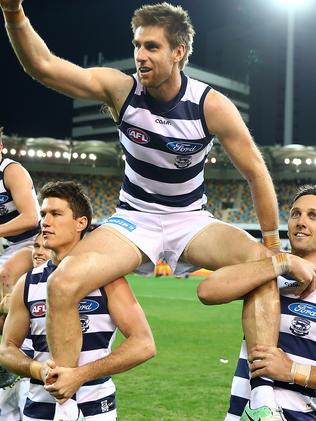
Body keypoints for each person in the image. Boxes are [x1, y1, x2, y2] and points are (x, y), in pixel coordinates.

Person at [1, 2, 311, 417]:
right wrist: (13, 10)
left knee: (261, 265)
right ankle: (68, 402)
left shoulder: (209, 105)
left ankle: (262, 400)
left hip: (190, 219)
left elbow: (256, 171)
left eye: (151, 46)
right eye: (136, 45)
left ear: (178, 52)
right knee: (62, 283)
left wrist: (273, 244)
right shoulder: (121, 90)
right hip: (135, 218)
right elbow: (43, 66)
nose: (140, 56)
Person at [0, 181, 156, 421]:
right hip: (39, 410)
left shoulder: (109, 280)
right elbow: (7, 349)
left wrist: (80, 375)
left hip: (95, 410)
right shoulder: (28, 283)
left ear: (80, 223)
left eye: (56, 214)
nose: (45, 222)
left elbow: (144, 345)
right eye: (43, 214)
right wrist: (37, 369)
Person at [198, 184, 316, 420]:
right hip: (243, 413)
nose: (301, 221)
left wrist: (293, 371)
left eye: (313, 216)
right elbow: (207, 291)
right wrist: (282, 263)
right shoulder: (270, 273)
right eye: (296, 213)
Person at [0, 126, 41, 387]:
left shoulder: (11, 171)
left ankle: (13, 357)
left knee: (5, 277)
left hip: (30, 244)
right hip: (3, 245)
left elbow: (31, 217)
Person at [0, 231, 51, 421]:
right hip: (17, 363)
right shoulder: (27, 282)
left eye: (45, 247)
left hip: (37, 371)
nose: (38, 252)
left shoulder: (65, 285)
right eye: (37, 246)